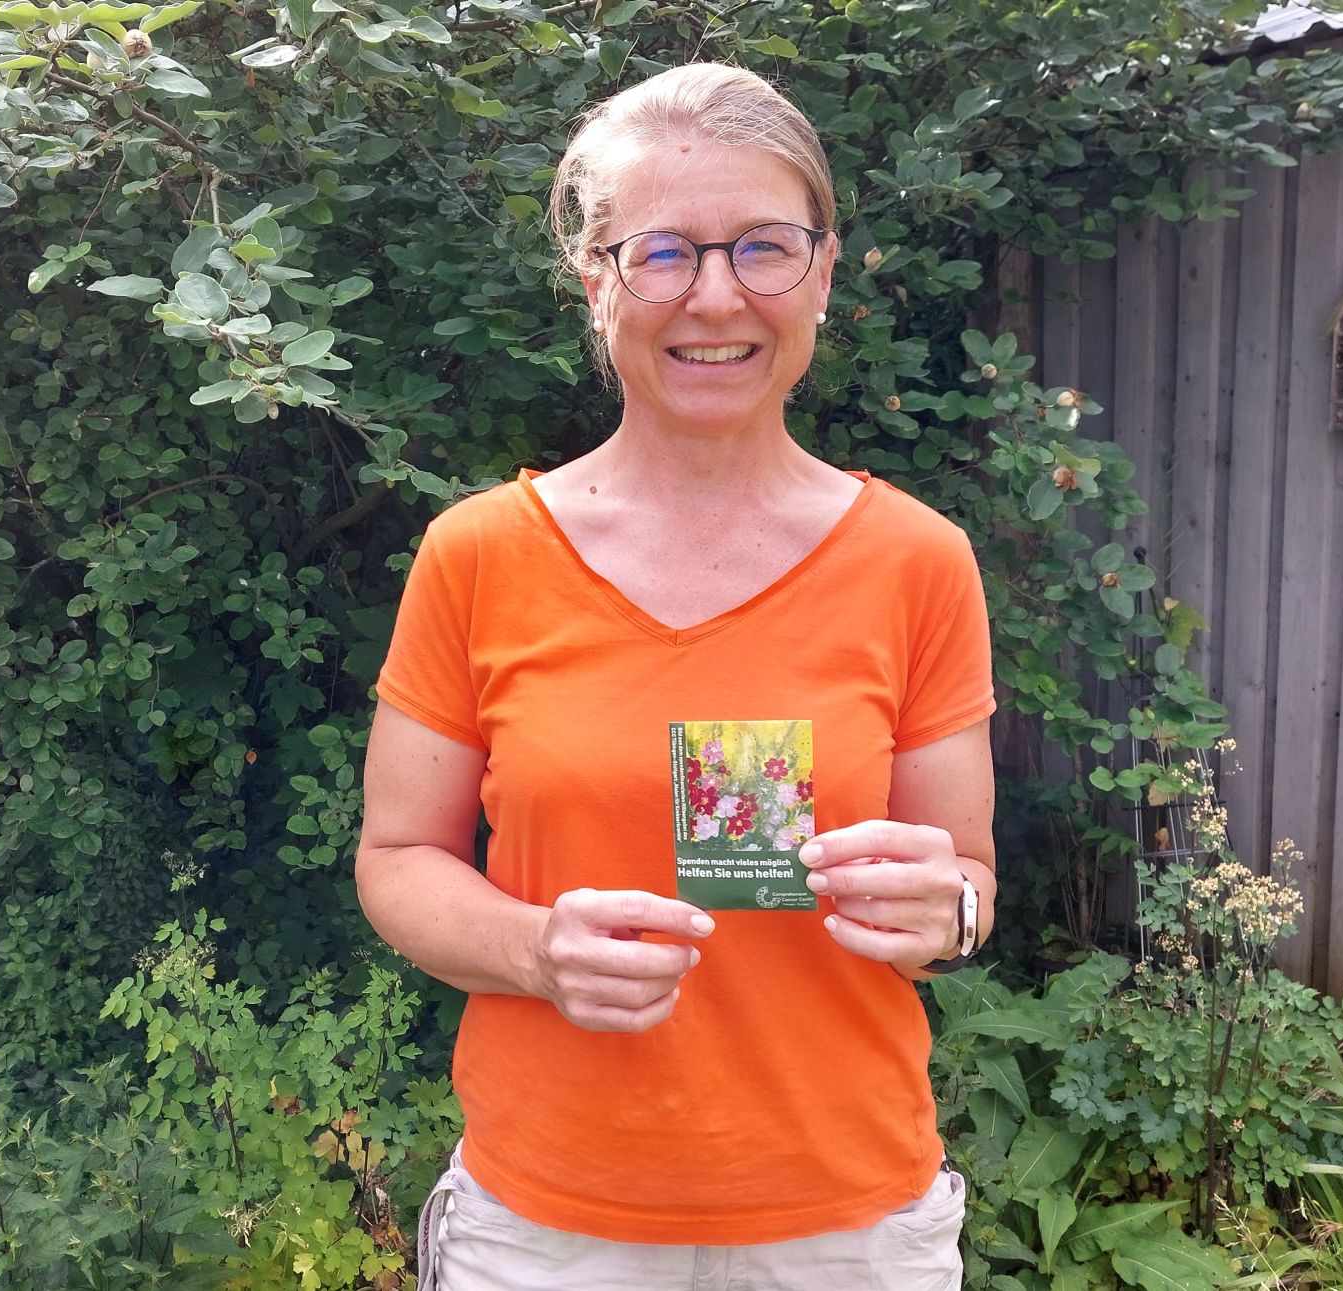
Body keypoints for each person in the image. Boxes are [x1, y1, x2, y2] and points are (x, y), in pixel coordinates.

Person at [356, 61, 999, 1290]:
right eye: (660, 252)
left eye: (763, 248)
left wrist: (949, 910)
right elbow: (396, 860)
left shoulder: (920, 561)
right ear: (593, 281)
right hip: (545, 1228)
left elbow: (964, 880)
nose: (714, 298)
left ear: (822, 270)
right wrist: (539, 947)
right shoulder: (479, 555)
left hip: (848, 1228)